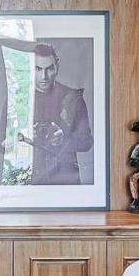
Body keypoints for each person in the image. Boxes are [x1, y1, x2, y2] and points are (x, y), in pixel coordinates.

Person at [24, 43, 92, 185]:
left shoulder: (73, 98)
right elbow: (0, 143)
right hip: (29, 180)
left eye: (49, 69)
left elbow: (87, 142)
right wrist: (23, 137)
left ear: (57, 66)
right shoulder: (19, 100)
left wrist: (64, 139)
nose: (43, 76)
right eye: (37, 69)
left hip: (66, 182)